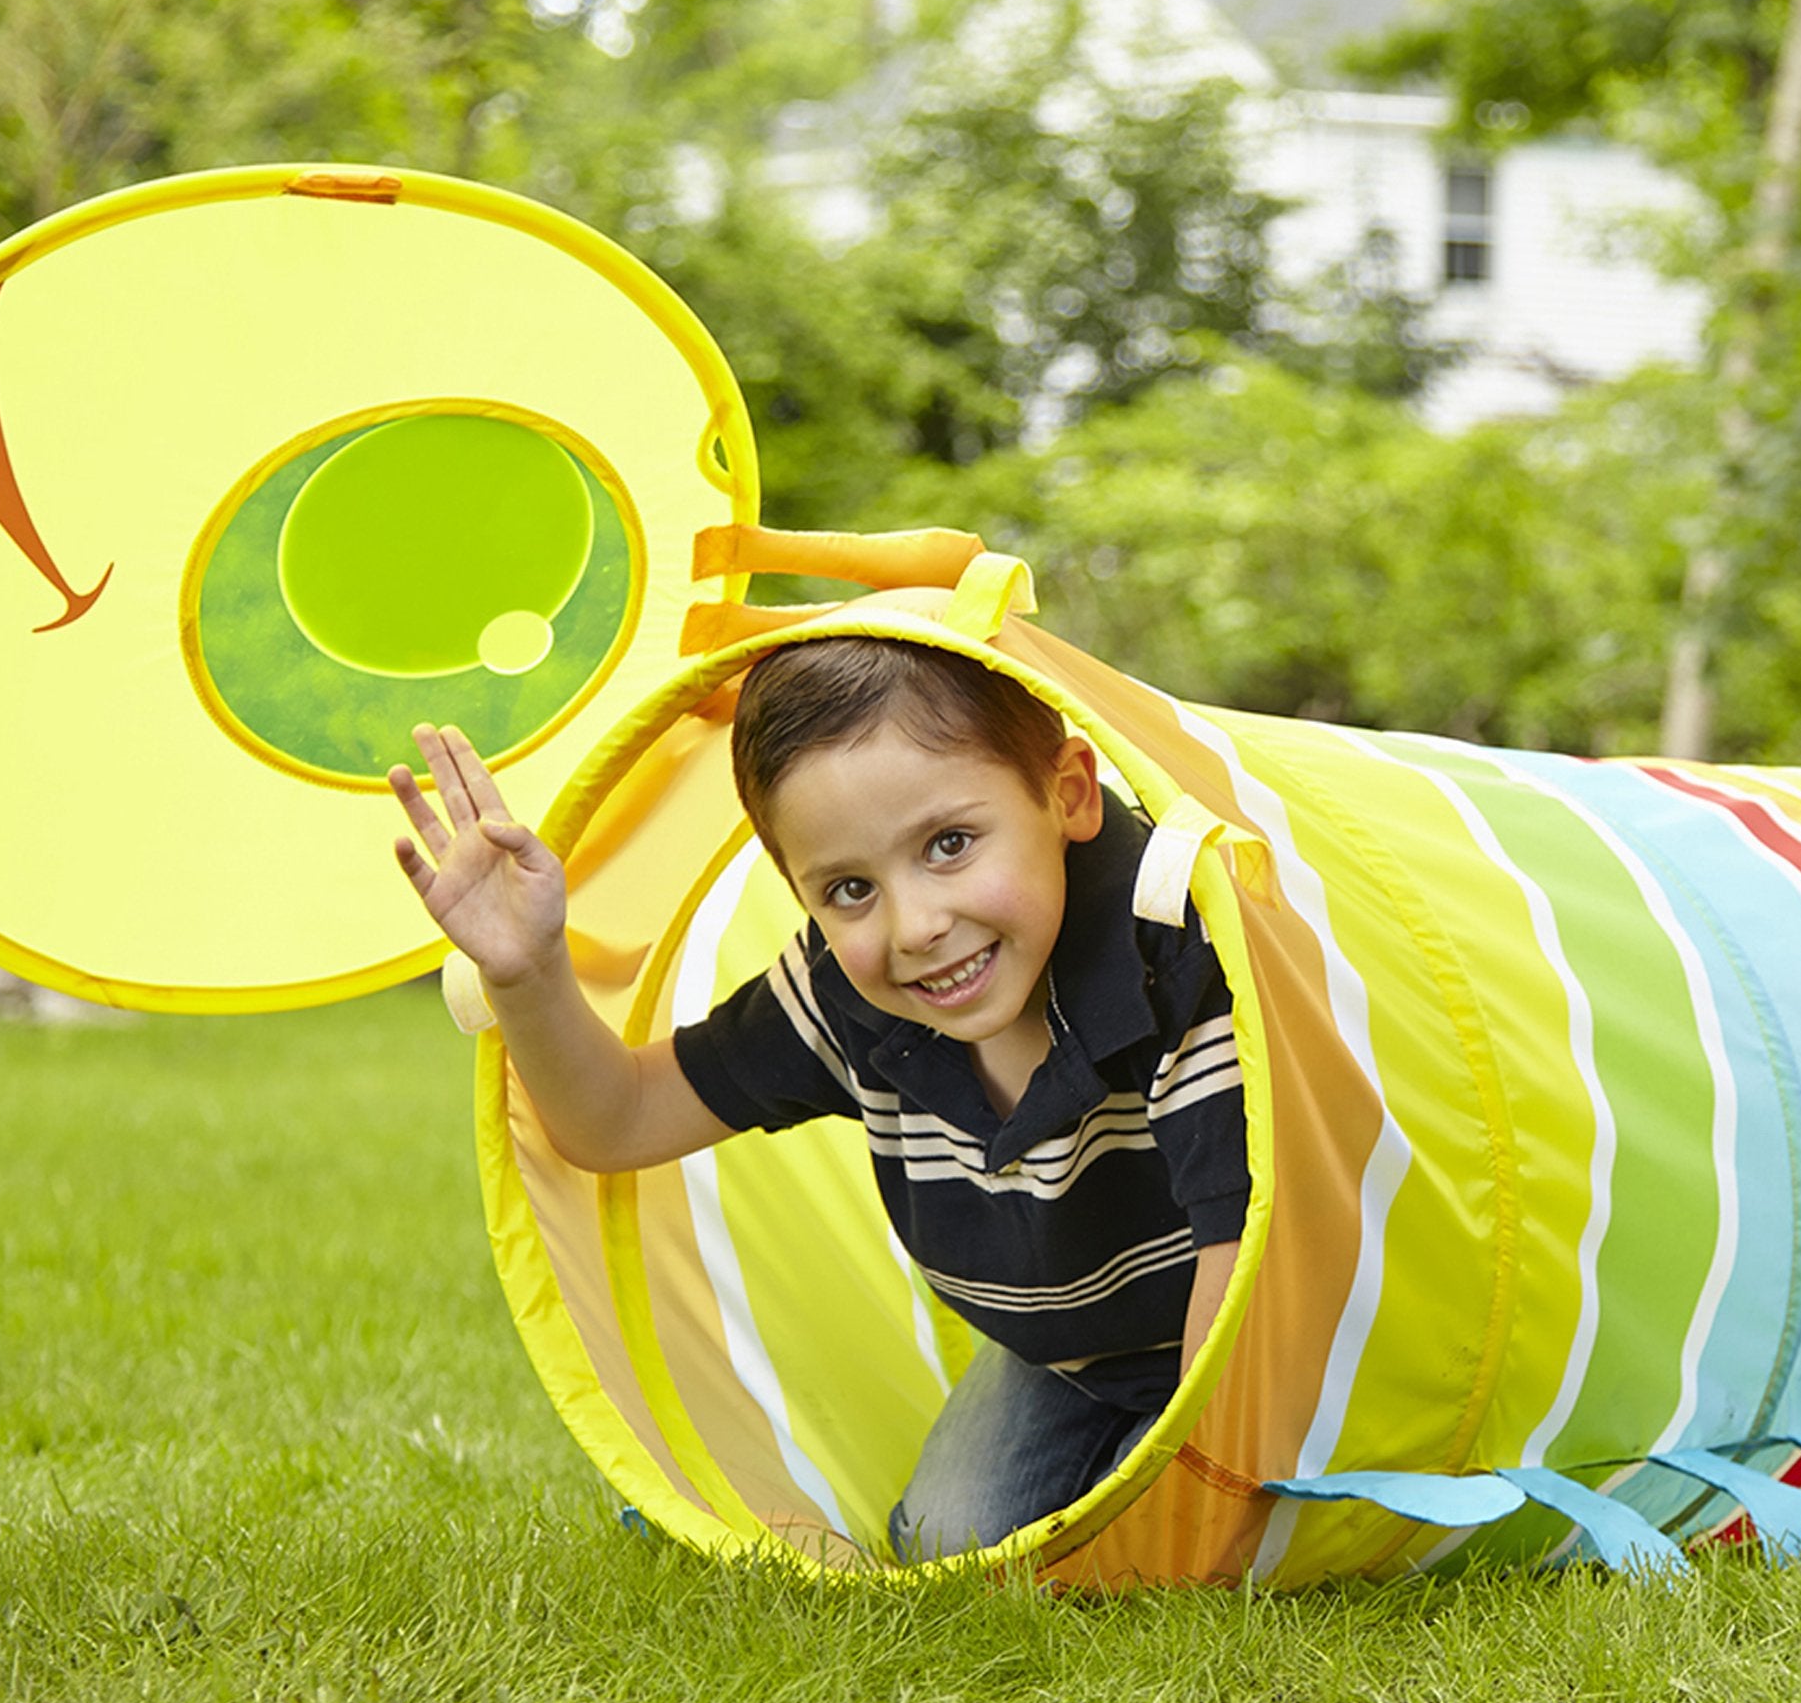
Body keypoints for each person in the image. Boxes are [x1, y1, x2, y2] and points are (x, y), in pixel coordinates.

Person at [389, 633, 1249, 1560]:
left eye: (950, 845)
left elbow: (1245, 1248)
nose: (915, 926)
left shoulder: (1173, 946)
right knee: (948, 1545)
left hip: (1259, 1310)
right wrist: (527, 974)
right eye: (848, 889)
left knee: (1181, 1531)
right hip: (1072, 1359)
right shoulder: (849, 997)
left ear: (1068, 794)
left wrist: (1178, 1485)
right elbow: (617, 1119)